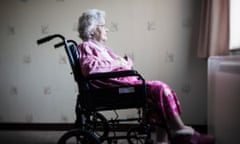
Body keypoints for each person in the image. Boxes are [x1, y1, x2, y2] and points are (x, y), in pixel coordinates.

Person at [77, 9, 215, 144]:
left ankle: (164, 139)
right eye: (103, 25)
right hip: (112, 88)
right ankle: (181, 131)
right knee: (159, 88)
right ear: (92, 29)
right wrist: (118, 62)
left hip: (121, 83)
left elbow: (124, 65)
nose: (107, 29)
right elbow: (90, 69)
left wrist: (123, 62)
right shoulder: (86, 46)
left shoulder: (104, 49)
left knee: (157, 93)